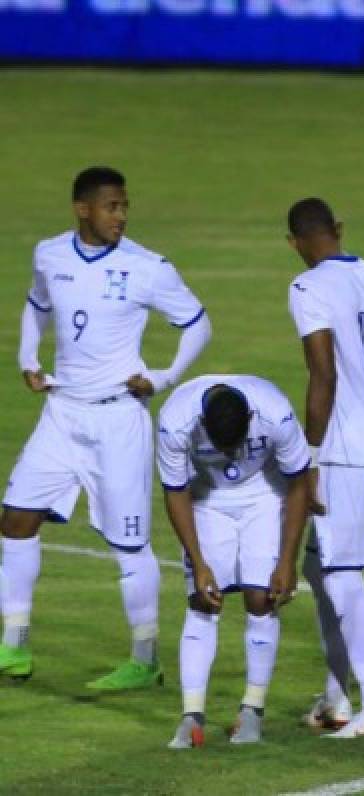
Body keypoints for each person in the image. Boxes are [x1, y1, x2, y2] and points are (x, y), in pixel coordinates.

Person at [0, 166, 211, 688]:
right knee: (15, 520)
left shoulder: (147, 267)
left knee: (129, 545)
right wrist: (29, 357)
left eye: (124, 207)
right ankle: (15, 645)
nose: (120, 216)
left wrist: (163, 377)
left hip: (118, 419)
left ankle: (145, 659)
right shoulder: (50, 254)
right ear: (82, 209)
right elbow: (37, 304)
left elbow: (198, 324)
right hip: (62, 412)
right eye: (111, 207)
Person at [286, 198, 364, 738]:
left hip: (339, 447)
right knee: (321, 567)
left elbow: (322, 374)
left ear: (296, 243)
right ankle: (336, 698)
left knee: (342, 573)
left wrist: (308, 456)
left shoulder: (307, 288)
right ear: (338, 230)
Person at [158, 376, 310, 748]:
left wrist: (288, 560)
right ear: (202, 424)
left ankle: (252, 711)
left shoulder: (275, 411)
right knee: (203, 599)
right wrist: (198, 562)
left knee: (262, 598)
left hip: (263, 495)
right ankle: (191, 717)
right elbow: (174, 492)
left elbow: (300, 483)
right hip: (207, 499)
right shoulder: (175, 420)